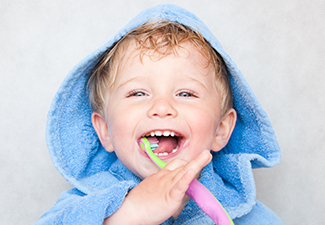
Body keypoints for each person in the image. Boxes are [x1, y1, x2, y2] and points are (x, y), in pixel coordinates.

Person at [35, 4, 284, 225]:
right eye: (138, 93)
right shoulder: (79, 208)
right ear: (105, 131)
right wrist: (129, 214)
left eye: (185, 94)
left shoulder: (248, 216)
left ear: (220, 130)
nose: (162, 107)